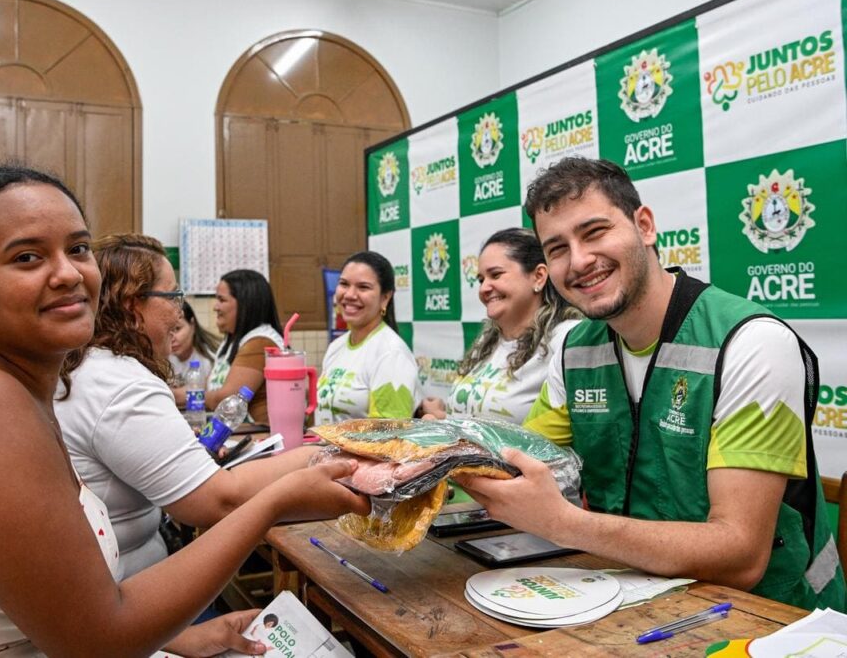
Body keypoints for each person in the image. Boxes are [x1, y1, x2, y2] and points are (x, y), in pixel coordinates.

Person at [0, 165, 369, 655]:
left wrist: (182, 637)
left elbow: (51, 601)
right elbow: (96, 641)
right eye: (27, 257)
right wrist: (273, 503)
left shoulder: (1, 385)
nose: (67, 273)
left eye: (78, 249)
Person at [457, 157, 845, 611]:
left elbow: (741, 555)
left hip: (775, 622)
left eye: (595, 232)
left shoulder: (753, 341)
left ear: (644, 226)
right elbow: (514, 460)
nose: (579, 261)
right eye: (557, 248)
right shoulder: (574, 349)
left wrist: (564, 522)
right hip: (632, 603)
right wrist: (412, 461)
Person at [56, 234, 330, 578]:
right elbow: (219, 500)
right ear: (132, 306)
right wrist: (321, 454)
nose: (178, 314)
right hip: (126, 592)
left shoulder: (92, 367)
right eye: (173, 297)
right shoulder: (123, 384)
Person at [420, 228, 582, 423]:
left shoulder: (567, 338)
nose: (483, 288)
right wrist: (443, 417)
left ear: (538, 276)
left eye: (495, 275)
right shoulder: (486, 341)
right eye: (481, 279)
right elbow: (481, 425)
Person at [314, 251, 420, 425]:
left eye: (363, 287)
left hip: (358, 453)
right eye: (344, 284)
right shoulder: (336, 347)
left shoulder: (391, 354)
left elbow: (388, 437)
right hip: (325, 450)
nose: (349, 294)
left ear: (385, 298)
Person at [178, 269, 282, 425]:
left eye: (222, 300)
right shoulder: (231, 342)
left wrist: (176, 396)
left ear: (245, 304)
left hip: (260, 436)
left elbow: (226, 400)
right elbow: (209, 389)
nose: (216, 307)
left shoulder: (260, 343)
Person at [169, 300, 221, 383]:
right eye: (168, 330)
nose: (172, 338)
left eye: (177, 329)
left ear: (193, 325)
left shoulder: (209, 362)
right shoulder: (163, 360)